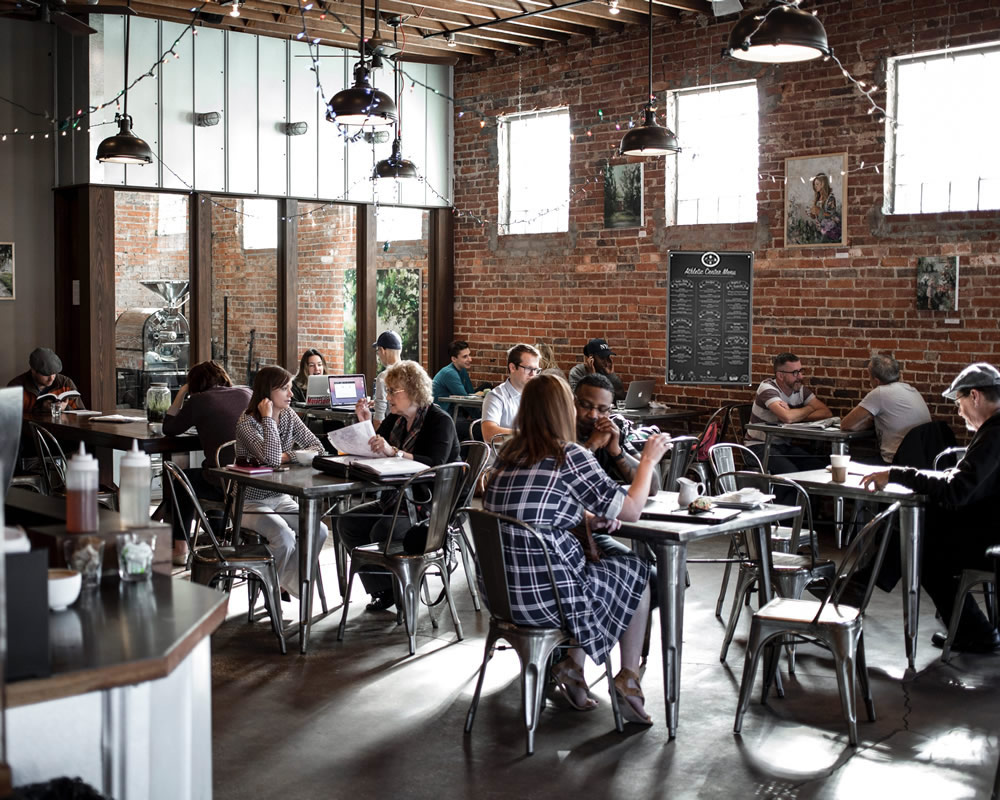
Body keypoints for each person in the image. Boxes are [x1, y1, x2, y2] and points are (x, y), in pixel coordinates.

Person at [484, 374, 671, 724]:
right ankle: (628, 677)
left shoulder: (507, 457)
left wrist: (587, 519)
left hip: (503, 597)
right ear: (563, 409)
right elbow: (631, 510)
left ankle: (572, 667)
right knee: (637, 573)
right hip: (546, 598)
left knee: (599, 570)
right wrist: (648, 459)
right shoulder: (568, 454)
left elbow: (537, 509)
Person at [862, 363, 1000, 653]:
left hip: (991, 536)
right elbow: (961, 483)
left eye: (960, 402)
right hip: (989, 523)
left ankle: (976, 633)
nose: (959, 411)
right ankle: (864, 582)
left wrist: (897, 474)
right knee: (914, 527)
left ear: (974, 396)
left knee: (918, 548)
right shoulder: (993, 432)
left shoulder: (994, 435)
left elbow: (956, 491)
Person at [339, 360, 460, 612]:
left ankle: (404, 592)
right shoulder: (395, 420)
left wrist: (394, 452)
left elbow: (434, 464)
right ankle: (383, 590)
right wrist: (365, 422)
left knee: (383, 529)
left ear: (413, 391)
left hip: (429, 505)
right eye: (388, 390)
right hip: (397, 499)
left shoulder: (440, 421)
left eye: (394, 391)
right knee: (347, 523)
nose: (388, 397)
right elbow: (375, 447)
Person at [235, 366, 327, 597]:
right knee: (284, 537)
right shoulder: (247, 423)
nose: (291, 394)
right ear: (267, 392)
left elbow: (318, 447)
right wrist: (267, 418)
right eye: (284, 389)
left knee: (319, 530)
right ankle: (270, 589)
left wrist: (290, 456)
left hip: (279, 496)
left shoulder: (287, 415)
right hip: (248, 502)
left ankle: (282, 583)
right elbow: (273, 459)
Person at [163, 361, 251, 565]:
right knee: (213, 471)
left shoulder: (200, 400)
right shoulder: (246, 393)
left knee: (183, 480)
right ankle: (219, 535)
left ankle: (180, 548)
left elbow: (169, 428)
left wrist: (182, 392)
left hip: (223, 483)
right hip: (250, 481)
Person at [745, 352, 832, 473]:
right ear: (780, 375)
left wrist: (794, 412)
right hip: (758, 446)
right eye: (795, 373)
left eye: (801, 371)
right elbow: (788, 418)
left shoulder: (799, 389)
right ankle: (783, 492)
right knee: (791, 473)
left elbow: (826, 413)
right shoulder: (767, 388)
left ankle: (803, 492)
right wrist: (810, 408)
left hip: (784, 446)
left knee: (820, 469)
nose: (800, 377)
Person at [841, 354, 931, 464]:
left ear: (876, 381)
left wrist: (862, 424)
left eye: (869, 377)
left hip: (896, 461)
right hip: (922, 459)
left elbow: (845, 424)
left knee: (847, 465)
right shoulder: (912, 390)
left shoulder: (879, 393)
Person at [574, 374, 656, 494]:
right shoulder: (559, 431)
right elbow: (560, 477)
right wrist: (593, 444)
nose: (593, 415)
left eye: (602, 409)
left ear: (609, 411)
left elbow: (652, 487)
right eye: (586, 406)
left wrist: (616, 451)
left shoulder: (609, 432)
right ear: (573, 402)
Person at [481, 343, 540, 444]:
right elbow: (489, 434)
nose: (533, 374)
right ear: (512, 367)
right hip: (505, 457)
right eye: (529, 369)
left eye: (536, 370)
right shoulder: (496, 396)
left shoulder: (538, 395)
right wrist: (528, 435)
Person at [8, 347, 85, 415]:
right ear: (33, 371)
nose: (52, 378)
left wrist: (65, 408)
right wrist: (41, 409)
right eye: (46, 374)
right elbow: (9, 419)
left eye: (54, 373)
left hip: (63, 430)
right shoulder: (15, 387)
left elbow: (82, 414)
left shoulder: (65, 383)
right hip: (29, 430)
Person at [431, 339, 478, 412]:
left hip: (454, 410)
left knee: (487, 387)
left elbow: (470, 392)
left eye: (469, 355)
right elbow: (465, 399)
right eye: (465, 357)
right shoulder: (449, 373)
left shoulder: (462, 370)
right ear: (454, 359)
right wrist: (481, 418)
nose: (470, 359)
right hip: (444, 414)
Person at [371, 330, 402, 430]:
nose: (379, 355)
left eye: (378, 351)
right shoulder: (411, 372)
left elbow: (379, 419)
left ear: (382, 350)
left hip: (392, 432)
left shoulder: (384, 377)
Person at [807, 172, 841, 243]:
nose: (815, 186)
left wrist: (819, 211)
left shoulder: (830, 198)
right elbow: (817, 216)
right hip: (819, 228)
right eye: (814, 184)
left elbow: (831, 215)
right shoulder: (817, 198)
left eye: (817, 184)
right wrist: (812, 214)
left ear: (823, 184)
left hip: (830, 229)